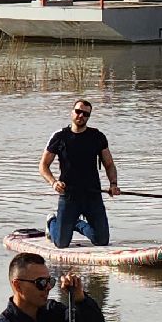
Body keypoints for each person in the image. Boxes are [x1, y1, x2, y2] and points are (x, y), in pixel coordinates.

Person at [41, 98, 120, 248]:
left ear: (88, 117)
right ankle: (52, 221)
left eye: (85, 114)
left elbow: (109, 164)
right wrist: (53, 182)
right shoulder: (59, 137)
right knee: (61, 243)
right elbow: (43, 165)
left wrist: (113, 184)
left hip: (92, 194)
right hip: (69, 195)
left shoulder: (97, 137)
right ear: (72, 112)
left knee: (101, 241)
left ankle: (76, 223)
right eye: (78, 112)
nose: (81, 116)